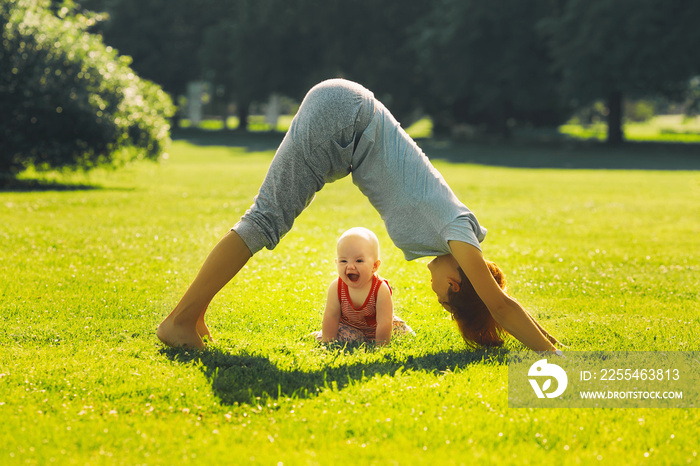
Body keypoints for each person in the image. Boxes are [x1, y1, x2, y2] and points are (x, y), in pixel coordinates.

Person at [157, 78, 562, 352]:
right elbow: (502, 306)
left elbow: (502, 303)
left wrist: (553, 341)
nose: (433, 290)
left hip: (347, 122)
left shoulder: (454, 231)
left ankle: (193, 317)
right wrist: (558, 356)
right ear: (457, 283)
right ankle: (180, 322)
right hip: (345, 119)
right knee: (265, 219)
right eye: (443, 296)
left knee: (265, 217)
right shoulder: (458, 234)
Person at [311, 227, 413, 345]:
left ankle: (373, 339)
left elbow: (384, 322)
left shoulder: (380, 288)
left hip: (379, 327)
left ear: (374, 266)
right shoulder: (336, 287)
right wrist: (328, 343)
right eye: (343, 261)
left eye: (358, 261)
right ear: (336, 263)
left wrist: (380, 347)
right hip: (350, 327)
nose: (350, 266)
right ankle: (320, 334)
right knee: (345, 336)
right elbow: (331, 317)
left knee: (405, 332)